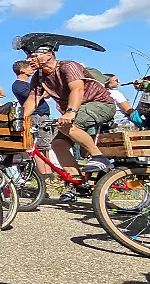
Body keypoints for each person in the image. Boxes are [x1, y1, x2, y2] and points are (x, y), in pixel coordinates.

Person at [21, 42, 116, 203]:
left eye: (34, 56)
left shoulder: (68, 66)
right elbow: (32, 99)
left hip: (99, 104)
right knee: (58, 144)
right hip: (74, 111)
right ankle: (77, 184)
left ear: (49, 55)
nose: (30, 60)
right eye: (28, 56)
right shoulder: (39, 76)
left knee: (67, 126)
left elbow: (77, 90)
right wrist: (20, 119)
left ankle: (99, 157)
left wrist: (70, 112)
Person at [12, 59, 54, 182]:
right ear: (22, 70)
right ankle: (44, 174)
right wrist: (43, 94)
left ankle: (49, 172)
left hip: (42, 115)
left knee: (45, 146)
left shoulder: (29, 84)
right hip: (36, 116)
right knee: (39, 147)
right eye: (29, 67)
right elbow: (31, 98)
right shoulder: (18, 85)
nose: (31, 69)